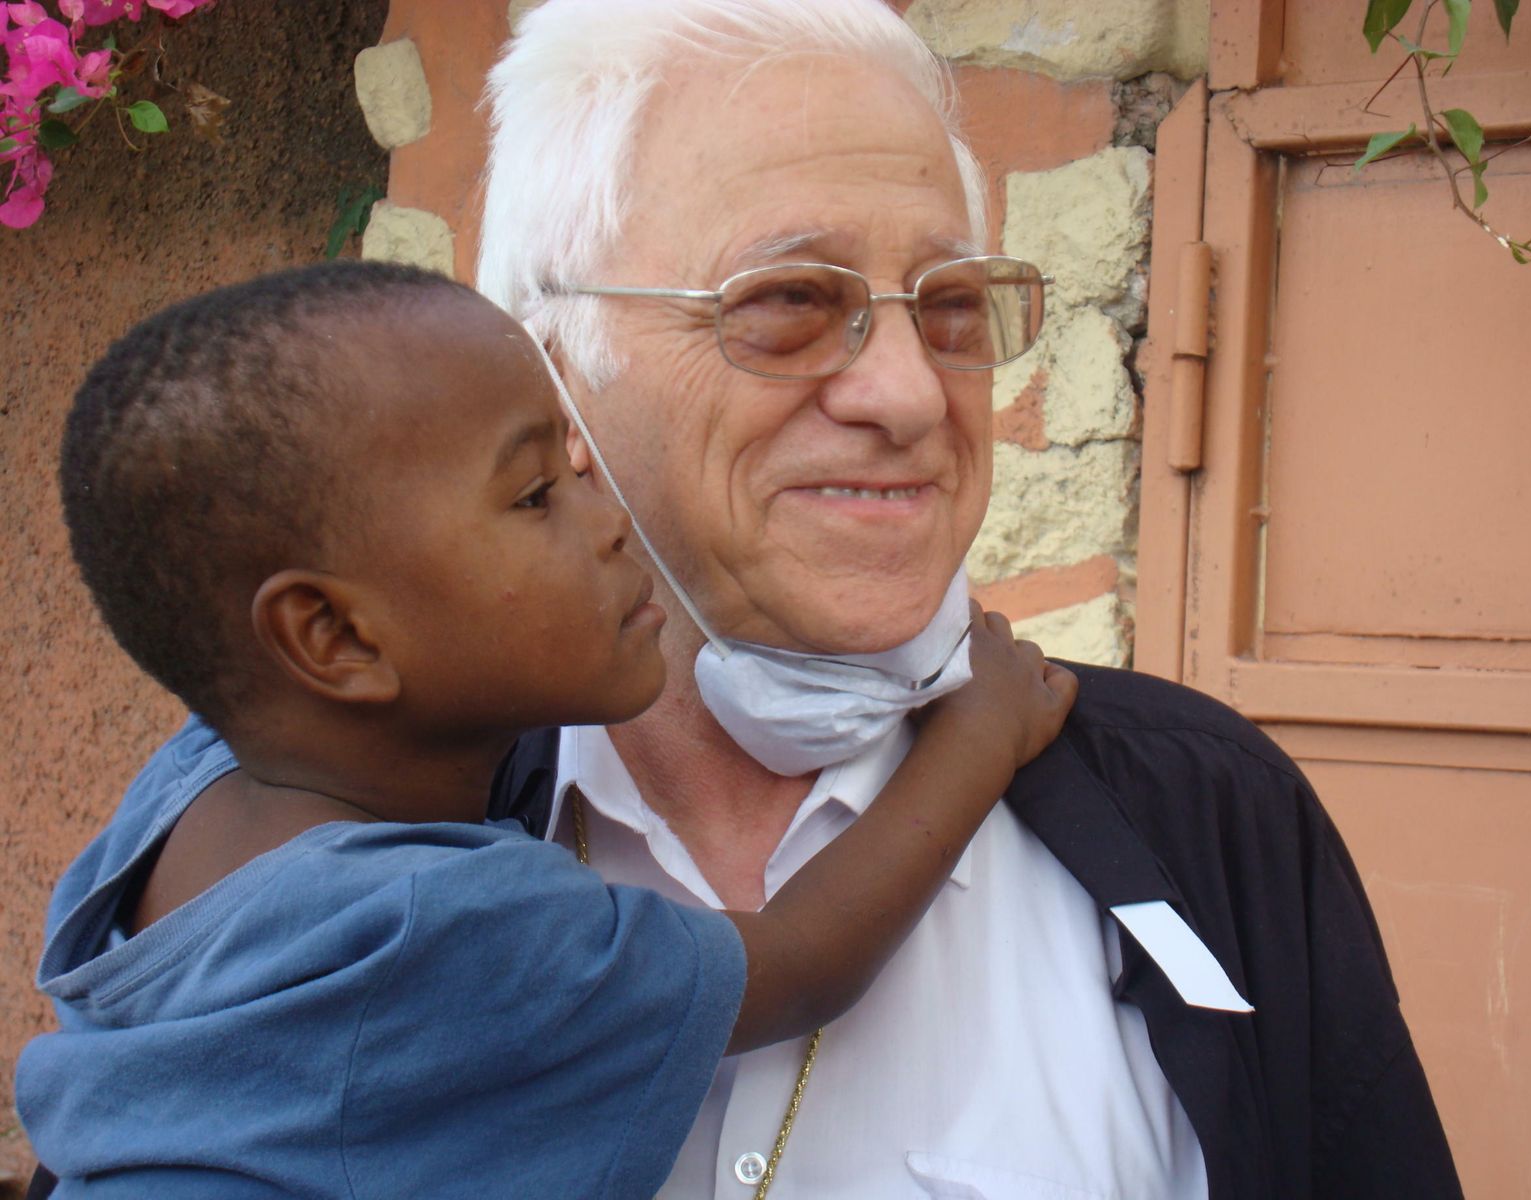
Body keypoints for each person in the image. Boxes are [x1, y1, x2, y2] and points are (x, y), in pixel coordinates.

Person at [472, 1, 1465, 1197]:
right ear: (553, 369)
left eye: (949, 308)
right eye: (787, 301)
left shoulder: (1212, 817)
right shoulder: (355, 816)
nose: (907, 393)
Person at [15, 261, 1078, 1198]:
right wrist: (978, 730)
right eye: (535, 495)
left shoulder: (185, 795)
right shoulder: (438, 924)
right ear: (335, 636)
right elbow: (806, 960)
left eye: (575, 466)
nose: (610, 518)